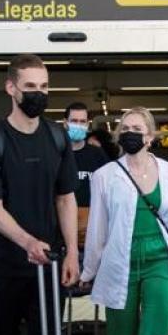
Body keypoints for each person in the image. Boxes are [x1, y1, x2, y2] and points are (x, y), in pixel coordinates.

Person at [0, 54, 79, 335]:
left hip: (47, 272)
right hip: (2, 268)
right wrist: (28, 242)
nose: (38, 93)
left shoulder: (57, 137)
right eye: (30, 86)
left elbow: (65, 198)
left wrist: (71, 252)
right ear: (11, 88)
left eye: (44, 86)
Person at [80, 107, 168, 335]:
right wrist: (89, 271)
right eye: (125, 129)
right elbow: (98, 228)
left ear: (150, 137)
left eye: (137, 130)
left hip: (160, 260)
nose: (130, 134)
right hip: (121, 262)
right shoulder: (105, 175)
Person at [64, 102, 109, 249]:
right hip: (62, 230)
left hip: (92, 230)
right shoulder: (56, 155)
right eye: (74, 121)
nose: (78, 125)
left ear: (88, 124)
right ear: (66, 123)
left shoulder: (97, 155)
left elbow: (108, 190)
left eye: (82, 121)